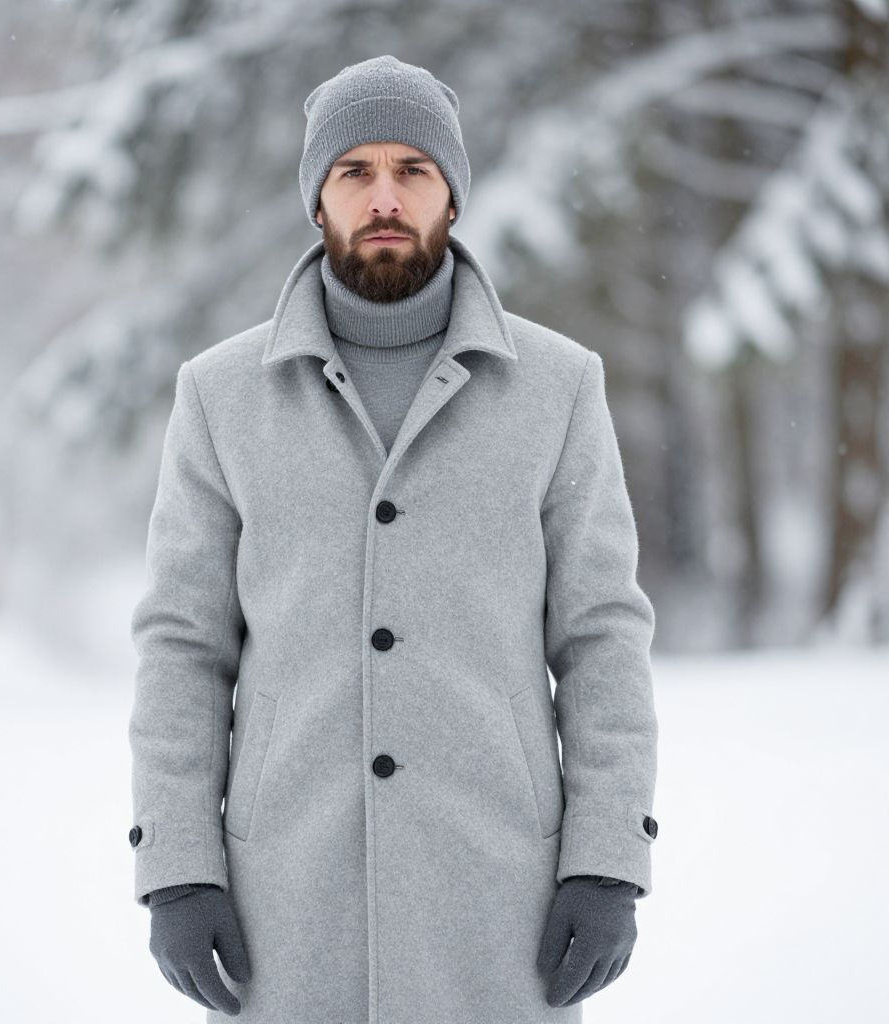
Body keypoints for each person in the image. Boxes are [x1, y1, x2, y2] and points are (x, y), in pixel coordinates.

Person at [129, 54, 659, 1024]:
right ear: (316, 199)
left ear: (452, 194)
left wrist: (607, 858)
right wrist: (176, 867)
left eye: (412, 169)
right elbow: (182, 646)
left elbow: (601, 639)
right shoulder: (219, 394)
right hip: (282, 913)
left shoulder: (558, 387)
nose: (384, 195)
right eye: (354, 171)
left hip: (500, 906)